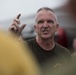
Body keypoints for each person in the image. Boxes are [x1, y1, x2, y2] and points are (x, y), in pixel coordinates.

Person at [9, 7, 71, 73]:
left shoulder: (65, 54)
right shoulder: (24, 49)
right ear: (35, 28)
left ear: (56, 27)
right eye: (40, 22)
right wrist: (11, 39)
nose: (45, 25)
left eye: (49, 21)